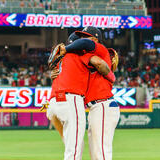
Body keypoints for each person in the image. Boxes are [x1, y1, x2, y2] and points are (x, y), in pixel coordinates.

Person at [46, 27, 114, 160]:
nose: (83, 40)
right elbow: (99, 63)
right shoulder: (81, 54)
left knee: (73, 145)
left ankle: (69, 143)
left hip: (54, 102)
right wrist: (111, 76)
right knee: (75, 150)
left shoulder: (62, 59)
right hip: (71, 99)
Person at [81, 47, 121, 160]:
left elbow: (99, 63)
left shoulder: (99, 60)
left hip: (103, 104)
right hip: (96, 107)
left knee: (101, 153)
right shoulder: (89, 70)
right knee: (95, 152)